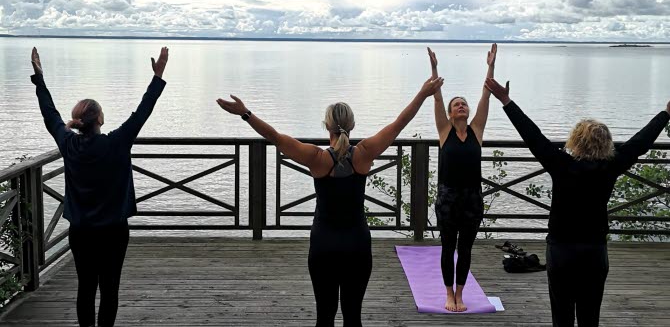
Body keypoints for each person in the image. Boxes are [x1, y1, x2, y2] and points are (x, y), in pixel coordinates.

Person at [216, 76, 444, 327]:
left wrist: (245, 113)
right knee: (353, 318)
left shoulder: (316, 157)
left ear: (326, 125)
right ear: (353, 124)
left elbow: (275, 137)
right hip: (357, 244)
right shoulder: (365, 153)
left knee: (324, 317)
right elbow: (400, 123)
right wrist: (423, 93)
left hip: (324, 244)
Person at [485, 77, 670, 327]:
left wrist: (506, 101)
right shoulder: (610, 166)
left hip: (562, 251)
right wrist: (666, 113)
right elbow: (640, 142)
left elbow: (533, 136)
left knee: (561, 317)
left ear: (575, 140)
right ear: (606, 144)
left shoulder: (561, 164)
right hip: (594, 252)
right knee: (589, 317)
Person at [30, 46, 169, 327]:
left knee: (85, 288)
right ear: (100, 119)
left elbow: (50, 114)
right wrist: (157, 77)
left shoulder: (68, 143)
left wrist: (40, 79)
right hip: (114, 232)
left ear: (79, 122)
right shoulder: (116, 142)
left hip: (81, 232)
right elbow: (142, 112)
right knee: (109, 290)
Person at [427, 44, 497, 312]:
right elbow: (436, 97)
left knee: (465, 248)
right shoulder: (444, 131)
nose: (461, 106)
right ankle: (448, 294)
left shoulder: (477, 130)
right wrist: (434, 68)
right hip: (447, 197)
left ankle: (460, 294)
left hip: (472, 198)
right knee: (447, 247)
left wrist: (490, 65)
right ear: (450, 113)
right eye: (457, 104)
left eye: (463, 103)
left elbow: (486, 96)